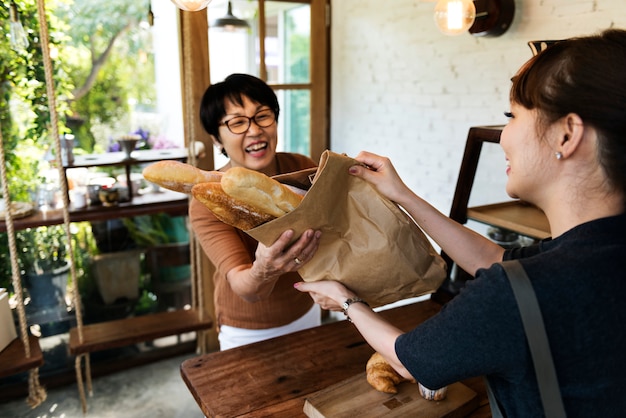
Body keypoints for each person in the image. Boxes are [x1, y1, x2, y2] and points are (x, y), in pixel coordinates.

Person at [295, 29, 626, 416]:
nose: (503, 136)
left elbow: (409, 360)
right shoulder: (596, 250)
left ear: (566, 134)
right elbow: (495, 257)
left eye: (513, 116)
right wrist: (402, 194)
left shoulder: (510, 297)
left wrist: (343, 299)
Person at [190, 73, 321, 350]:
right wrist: (264, 268)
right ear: (216, 138)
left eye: (263, 115)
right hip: (248, 330)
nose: (254, 130)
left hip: (308, 309)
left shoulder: (300, 167)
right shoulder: (208, 196)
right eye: (237, 122)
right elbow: (243, 285)